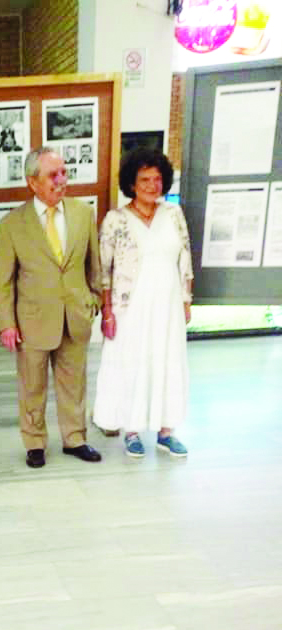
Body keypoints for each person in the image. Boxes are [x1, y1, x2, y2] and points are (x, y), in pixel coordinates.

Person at [0, 147, 103, 468]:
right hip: (32, 320)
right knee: (32, 385)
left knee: (74, 382)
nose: (61, 180)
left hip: (75, 316)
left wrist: (94, 300)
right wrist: (7, 323)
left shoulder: (83, 214)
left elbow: (93, 264)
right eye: (53, 175)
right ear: (33, 182)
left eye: (64, 172)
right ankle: (35, 442)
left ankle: (75, 438)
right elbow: (3, 280)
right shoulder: (12, 224)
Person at [93, 148, 193, 458]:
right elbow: (103, 270)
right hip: (130, 307)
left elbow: (185, 259)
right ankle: (132, 430)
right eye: (145, 180)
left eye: (157, 179)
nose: (152, 185)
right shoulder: (116, 220)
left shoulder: (173, 214)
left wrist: (186, 300)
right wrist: (107, 311)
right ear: (131, 184)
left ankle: (166, 431)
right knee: (131, 364)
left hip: (168, 305)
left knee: (168, 362)